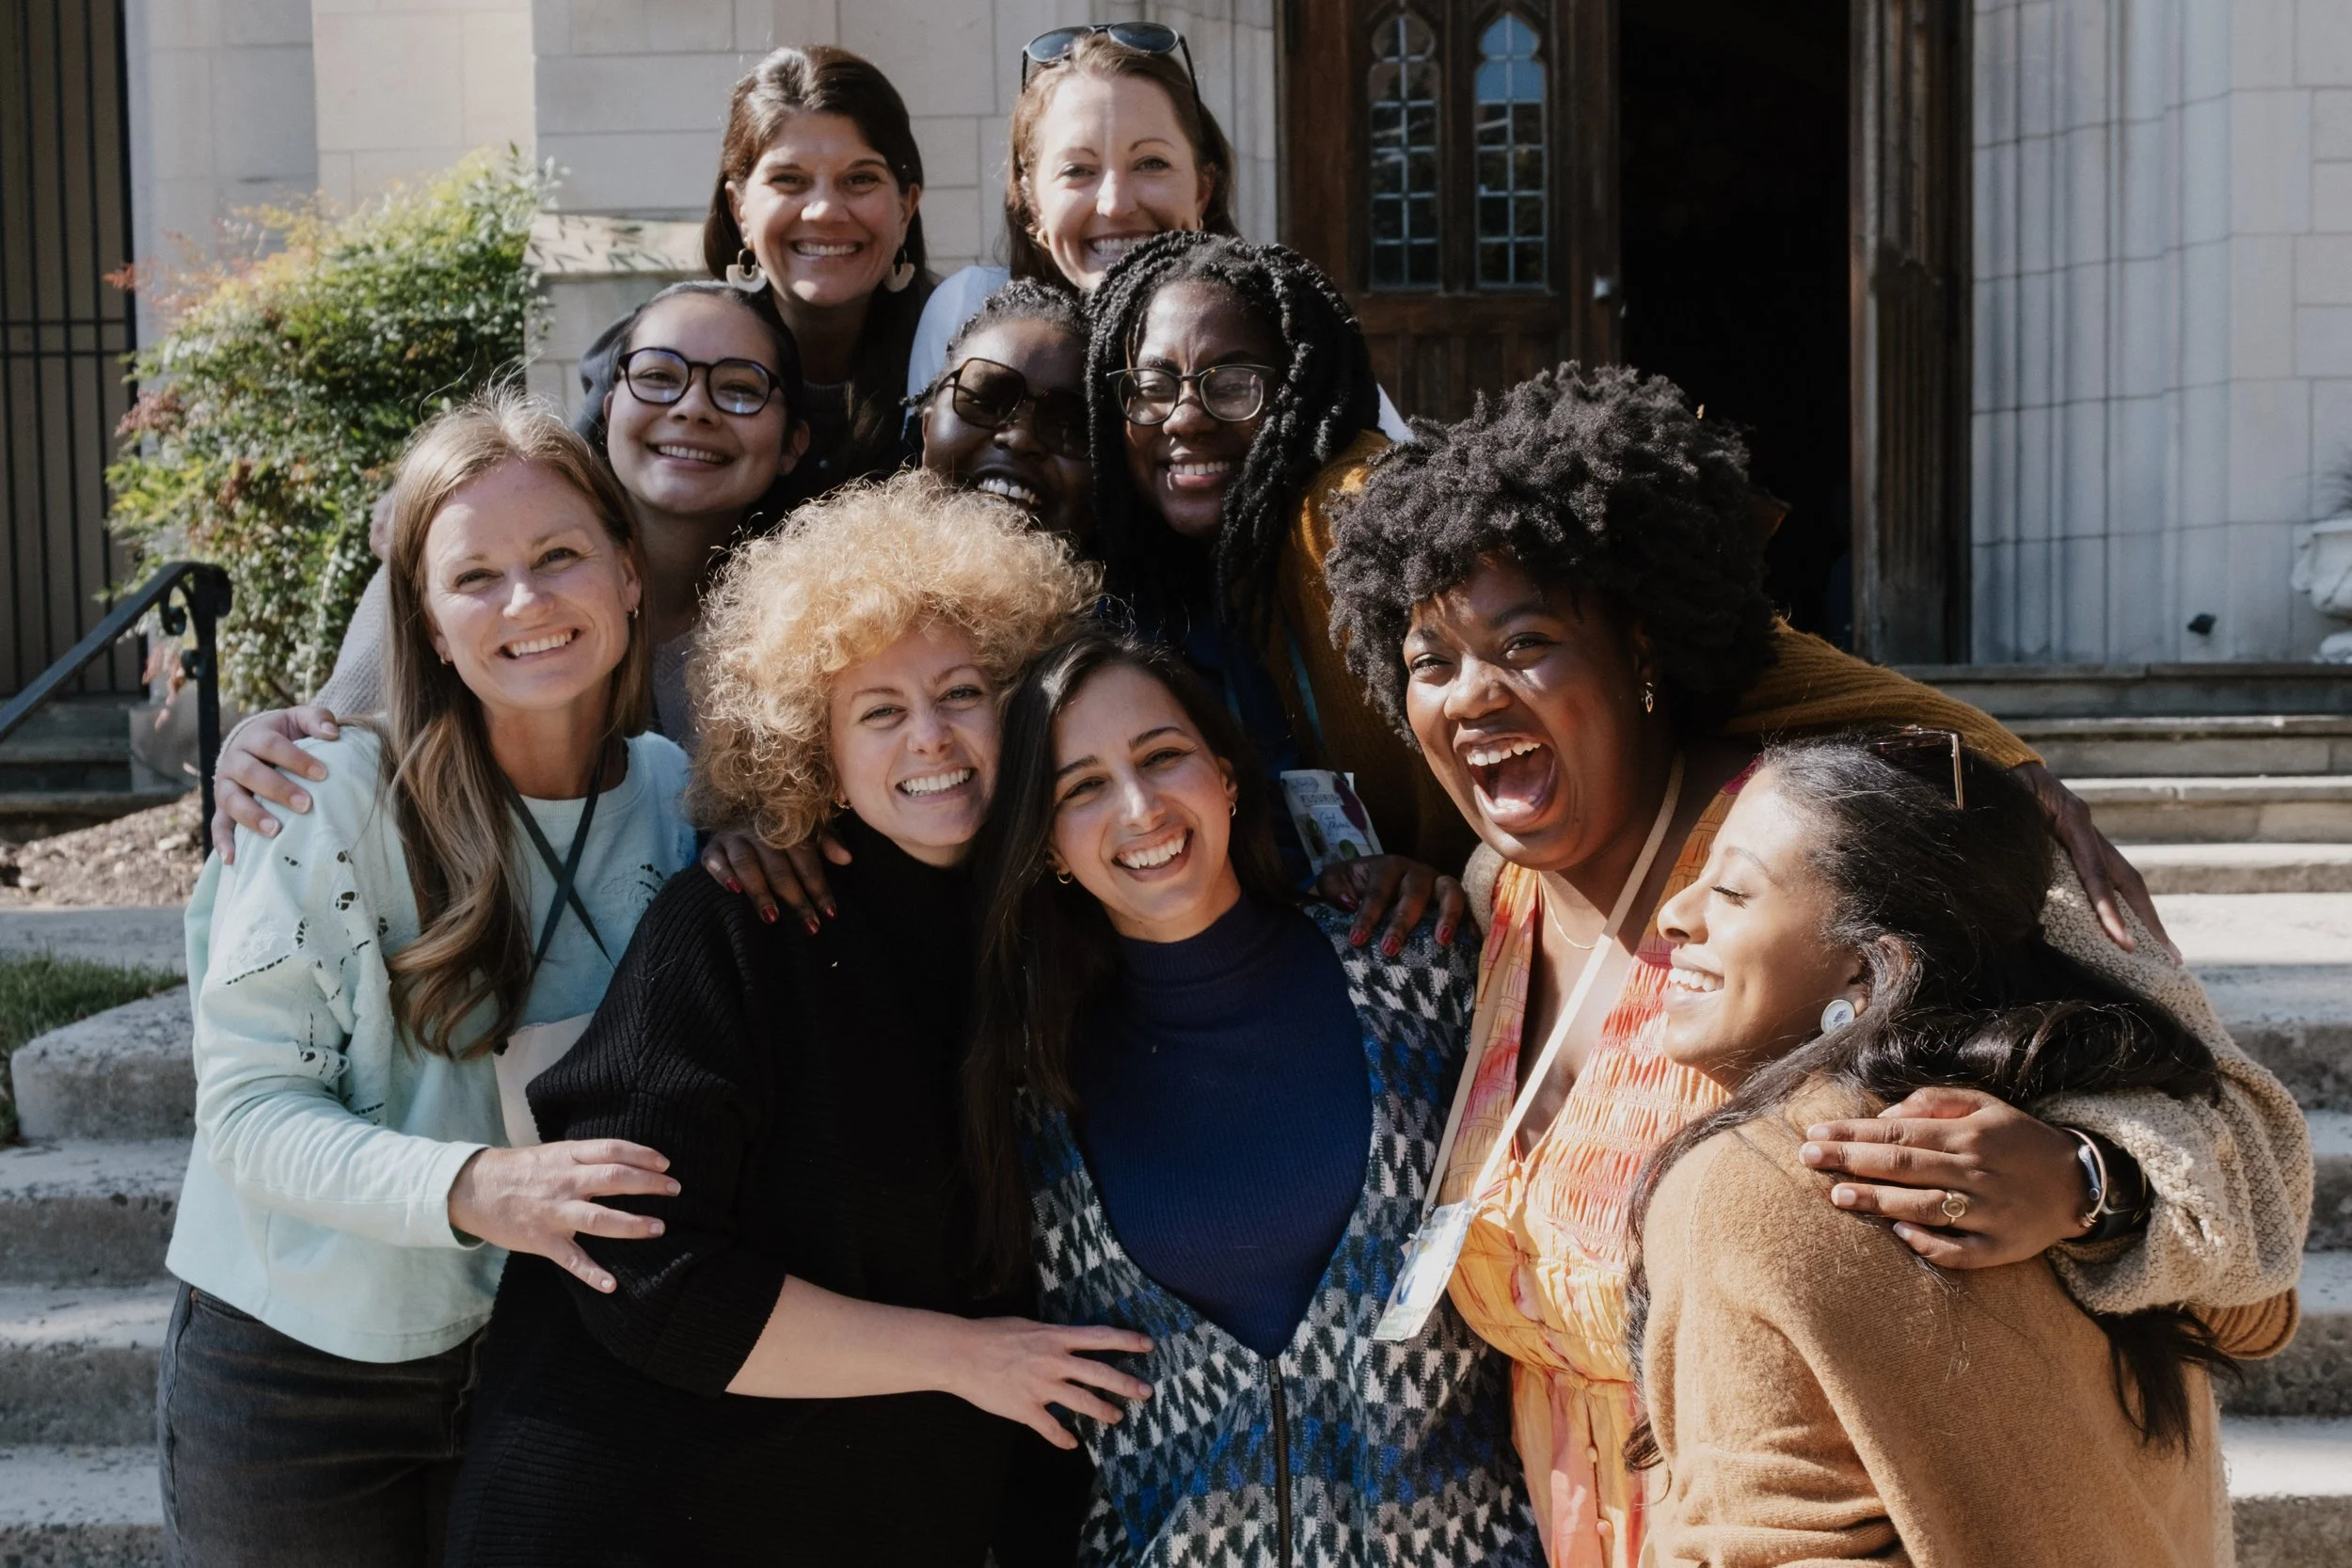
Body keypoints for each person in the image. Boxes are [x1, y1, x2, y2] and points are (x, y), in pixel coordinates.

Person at [1318, 364, 2313, 1567]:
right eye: (1431, 660)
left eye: (1525, 642)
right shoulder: (1496, 896)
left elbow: (2250, 1154)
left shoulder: (1835, 835)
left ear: (1641, 645)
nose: (1473, 692)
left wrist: (2088, 1179)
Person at [443, 473, 1132, 1567]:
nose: (931, 739)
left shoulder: (1063, 933)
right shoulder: (740, 922)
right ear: (812, 745)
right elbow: (637, 1269)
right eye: (879, 710)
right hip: (627, 1511)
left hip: (865, 1508)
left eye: (963, 692)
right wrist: (964, 1356)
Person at [157, 393, 701, 1566]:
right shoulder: (319, 794)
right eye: (476, 577)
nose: (528, 601)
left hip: (546, 1360)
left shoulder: (678, 796)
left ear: (625, 574)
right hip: (298, 1376)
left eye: (559, 556)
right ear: (429, 623)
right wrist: (480, 1186)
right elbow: (247, 1115)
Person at [1632, 735, 2305, 1566]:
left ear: (1872, 970)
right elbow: (2259, 1302)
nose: (1674, 912)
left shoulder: (1752, 1187)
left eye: (1732, 890)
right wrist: (2098, 1183)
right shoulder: (2109, 1156)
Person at [962, 626, 1541, 1566]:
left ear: (1228, 775)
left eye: (1162, 757)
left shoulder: (1419, 971)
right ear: (1049, 847)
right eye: (1083, 787)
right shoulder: (1032, 1082)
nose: (1141, 806)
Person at [209, 278, 808, 843]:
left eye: (740, 387)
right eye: (657, 376)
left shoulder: (808, 629)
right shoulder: (452, 573)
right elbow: (318, 746)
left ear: (793, 443)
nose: (692, 408)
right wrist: (251, 746)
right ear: (608, 410)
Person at [707, 44, 930, 501]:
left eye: (860, 179)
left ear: (905, 208)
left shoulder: (963, 362)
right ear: (740, 210)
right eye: (789, 179)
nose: (825, 211)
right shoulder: (659, 363)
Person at [914, 277, 1092, 543]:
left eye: (1065, 426)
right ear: (927, 429)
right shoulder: (844, 580)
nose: (1020, 439)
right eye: (986, 404)